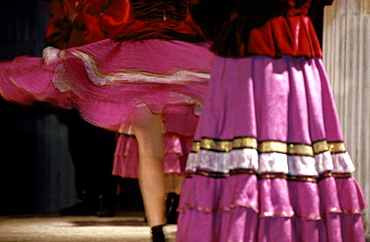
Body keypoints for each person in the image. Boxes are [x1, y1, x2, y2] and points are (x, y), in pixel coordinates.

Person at [0, 0, 214, 240]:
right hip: (178, 51)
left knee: (150, 149)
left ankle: (158, 229)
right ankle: (180, 220)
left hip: (140, 56)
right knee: (184, 146)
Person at [177, 0, 367, 241]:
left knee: (247, 144)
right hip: (295, 45)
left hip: (250, 50)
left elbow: (208, 12)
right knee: (295, 140)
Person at [42, 0, 130, 217]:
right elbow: (57, 27)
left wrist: (83, 19)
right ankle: (87, 195)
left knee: (103, 136)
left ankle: (108, 196)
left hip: (105, 68)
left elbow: (119, 23)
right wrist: (69, 20)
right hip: (76, 69)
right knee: (78, 137)